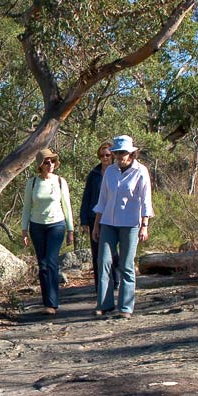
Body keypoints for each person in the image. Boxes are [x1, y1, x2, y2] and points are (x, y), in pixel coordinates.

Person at [92, 135, 154, 319]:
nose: (119, 156)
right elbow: (102, 200)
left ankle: (126, 307)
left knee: (126, 265)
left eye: (123, 153)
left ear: (131, 154)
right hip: (108, 223)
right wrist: (96, 225)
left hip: (130, 224)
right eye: (117, 153)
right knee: (103, 262)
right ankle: (104, 304)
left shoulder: (140, 171)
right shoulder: (110, 172)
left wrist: (144, 225)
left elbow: (146, 201)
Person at [21, 148, 75, 315]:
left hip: (56, 225)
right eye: (46, 162)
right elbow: (27, 208)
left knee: (51, 262)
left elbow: (67, 206)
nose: (50, 164)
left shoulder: (60, 181)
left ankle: (52, 303)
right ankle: (47, 301)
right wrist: (24, 230)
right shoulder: (32, 183)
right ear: (40, 165)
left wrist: (70, 230)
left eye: (52, 161)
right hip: (37, 226)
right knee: (42, 264)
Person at [80, 143, 120, 292]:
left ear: (113, 156)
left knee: (113, 252)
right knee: (97, 253)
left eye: (108, 155)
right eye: (102, 155)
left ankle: (116, 280)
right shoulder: (94, 174)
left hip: (114, 217)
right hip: (94, 218)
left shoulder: (118, 172)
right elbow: (87, 197)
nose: (105, 158)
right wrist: (84, 220)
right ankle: (100, 286)